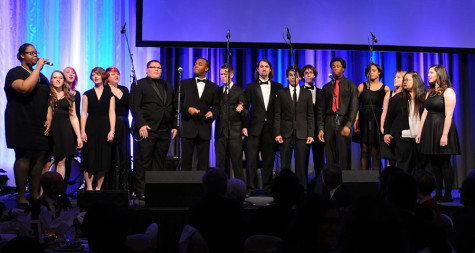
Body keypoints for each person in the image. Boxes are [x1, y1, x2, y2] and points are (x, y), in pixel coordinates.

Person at [4, 43, 50, 205]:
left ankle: (34, 193)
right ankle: (21, 195)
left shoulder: (42, 78)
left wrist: (49, 118)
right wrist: (37, 68)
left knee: (39, 158)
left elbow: (49, 99)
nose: (35, 56)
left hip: (39, 122)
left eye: (36, 53)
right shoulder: (15, 73)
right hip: (21, 120)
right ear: (22, 55)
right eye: (31, 53)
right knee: (24, 156)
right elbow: (25, 88)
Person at [130, 60, 177, 200]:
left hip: (164, 129)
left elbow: (173, 107)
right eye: (153, 67)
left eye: (159, 68)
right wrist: (141, 124)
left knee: (159, 161)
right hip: (147, 128)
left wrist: (174, 125)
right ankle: (141, 191)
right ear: (146, 69)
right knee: (143, 161)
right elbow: (135, 107)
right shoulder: (139, 84)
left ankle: (155, 189)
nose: (156, 70)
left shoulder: (167, 85)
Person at [416, 65, 460, 202]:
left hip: (442, 128)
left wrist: (445, 135)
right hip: (430, 129)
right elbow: (425, 113)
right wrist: (420, 132)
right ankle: (438, 193)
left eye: (431, 72)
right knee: (434, 164)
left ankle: (447, 195)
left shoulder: (448, 92)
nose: (428, 75)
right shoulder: (430, 93)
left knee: (445, 163)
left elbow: (449, 115)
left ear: (439, 74)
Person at [244, 59, 283, 196]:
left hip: (271, 129)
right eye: (261, 66)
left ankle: (267, 188)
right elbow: (245, 108)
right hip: (253, 128)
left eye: (267, 66)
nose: (264, 69)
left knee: (269, 161)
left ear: (271, 70)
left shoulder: (278, 87)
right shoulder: (250, 87)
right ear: (257, 70)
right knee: (252, 161)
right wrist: (244, 126)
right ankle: (250, 189)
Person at [274, 66, 314, 189]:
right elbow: (277, 114)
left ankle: (302, 189)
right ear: (287, 77)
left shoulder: (307, 93)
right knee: (285, 164)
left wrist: (311, 134)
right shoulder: (281, 93)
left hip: (302, 133)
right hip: (285, 133)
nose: (293, 77)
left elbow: (310, 115)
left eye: (295, 75)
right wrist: (277, 133)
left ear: (300, 77)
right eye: (291, 75)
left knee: (301, 164)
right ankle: (284, 189)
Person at [176, 58, 219, 171]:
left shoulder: (214, 87)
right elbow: (177, 103)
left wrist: (212, 113)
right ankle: (185, 187)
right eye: (195, 64)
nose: (196, 66)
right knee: (186, 162)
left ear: (206, 68)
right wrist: (188, 109)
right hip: (188, 127)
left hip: (204, 128)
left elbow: (217, 106)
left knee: (203, 163)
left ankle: (202, 187)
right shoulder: (185, 83)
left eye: (200, 64)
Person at [317, 57, 358, 171]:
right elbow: (321, 109)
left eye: (338, 66)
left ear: (343, 69)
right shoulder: (326, 87)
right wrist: (321, 128)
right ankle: (330, 181)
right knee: (329, 153)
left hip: (344, 120)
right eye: (333, 66)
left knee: (344, 154)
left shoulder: (351, 85)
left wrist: (349, 125)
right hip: (329, 121)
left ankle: (344, 182)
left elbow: (354, 107)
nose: (335, 68)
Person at [384, 71, 426, 173]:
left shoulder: (424, 98)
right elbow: (389, 117)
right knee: (404, 168)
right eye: (404, 80)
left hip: (420, 139)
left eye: (407, 80)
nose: (405, 82)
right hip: (403, 138)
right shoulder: (397, 99)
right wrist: (386, 133)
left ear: (416, 81)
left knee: (419, 168)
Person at [81, 67, 115, 191]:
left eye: (98, 75)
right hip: (91, 127)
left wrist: (112, 130)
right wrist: (82, 131)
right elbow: (83, 114)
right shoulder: (87, 94)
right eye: (93, 75)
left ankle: (98, 188)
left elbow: (112, 113)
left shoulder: (110, 94)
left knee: (103, 159)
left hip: (105, 127)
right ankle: (89, 188)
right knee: (89, 158)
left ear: (103, 76)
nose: (95, 77)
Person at [45, 71, 82, 179]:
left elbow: (73, 116)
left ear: (63, 80)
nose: (57, 80)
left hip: (65, 130)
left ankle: (58, 192)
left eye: (60, 78)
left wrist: (78, 136)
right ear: (51, 80)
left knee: (61, 162)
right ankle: (43, 193)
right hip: (50, 129)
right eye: (55, 77)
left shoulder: (69, 96)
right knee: (46, 162)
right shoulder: (47, 95)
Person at [354, 63, 390, 170]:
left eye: (374, 70)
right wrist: (356, 122)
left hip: (377, 119)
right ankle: (364, 179)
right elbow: (355, 105)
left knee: (376, 151)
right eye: (369, 71)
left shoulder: (385, 88)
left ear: (379, 72)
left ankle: (376, 179)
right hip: (363, 119)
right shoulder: (362, 86)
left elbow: (388, 108)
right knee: (364, 151)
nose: (371, 72)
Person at [215, 64, 247, 180]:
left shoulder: (239, 91)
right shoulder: (218, 91)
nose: (223, 76)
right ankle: (221, 188)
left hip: (234, 132)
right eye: (221, 74)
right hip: (220, 132)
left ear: (232, 75)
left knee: (236, 162)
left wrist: (241, 109)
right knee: (220, 163)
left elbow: (246, 113)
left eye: (225, 74)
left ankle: (240, 188)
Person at [104, 67, 131, 191]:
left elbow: (128, 103)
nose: (116, 76)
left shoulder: (124, 89)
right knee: (111, 152)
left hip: (123, 123)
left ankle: (123, 185)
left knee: (123, 152)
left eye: (118, 74)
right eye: (113, 74)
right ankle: (109, 185)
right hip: (109, 124)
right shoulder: (104, 89)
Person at [301, 65, 325, 179]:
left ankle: (320, 186)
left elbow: (322, 112)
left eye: (311, 72)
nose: (309, 74)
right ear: (302, 76)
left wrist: (321, 128)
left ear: (314, 75)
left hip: (318, 129)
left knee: (319, 159)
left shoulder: (321, 92)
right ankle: (303, 187)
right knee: (303, 159)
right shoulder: (299, 91)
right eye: (306, 73)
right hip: (304, 129)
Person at [380, 70, 406, 166]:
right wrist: (383, 128)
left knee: (400, 157)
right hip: (390, 128)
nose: (395, 79)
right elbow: (385, 112)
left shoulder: (407, 95)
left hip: (401, 128)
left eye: (398, 77)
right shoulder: (389, 94)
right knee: (391, 158)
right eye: (395, 77)